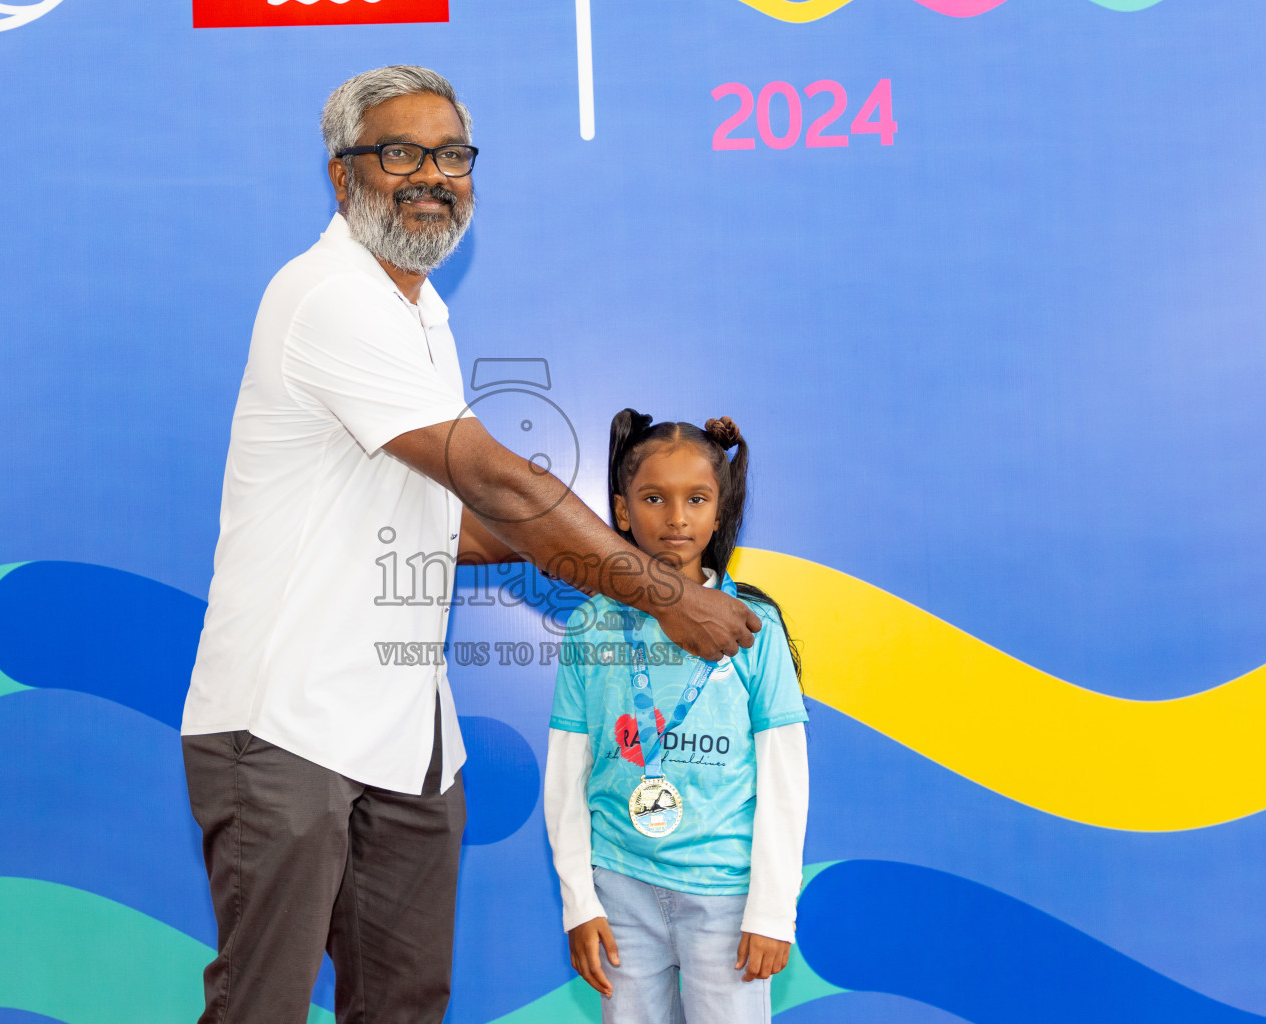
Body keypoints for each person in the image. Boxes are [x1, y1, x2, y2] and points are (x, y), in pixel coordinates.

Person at [180, 68, 764, 1024]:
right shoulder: (328, 296)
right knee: (264, 1010)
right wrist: (665, 595)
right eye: (399, 153)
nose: (430, 176)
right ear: (342, 177)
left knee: (408, 1006)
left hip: (406, 739)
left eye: (451, 156)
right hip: (283, 727)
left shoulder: (424, 316)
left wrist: (617, 570)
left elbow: (447, 521)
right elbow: (499, 480)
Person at [545, 410, 810, 1024]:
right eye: (654, 498)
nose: (676, 517)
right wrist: (579, 902)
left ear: (719, 511)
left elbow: (784, 778)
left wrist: (771, 911)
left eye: (696, 499)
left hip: (725, 899)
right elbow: (566, 776)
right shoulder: (591, 627)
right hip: (619, 891)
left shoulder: (753, 628)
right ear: (620, 509)